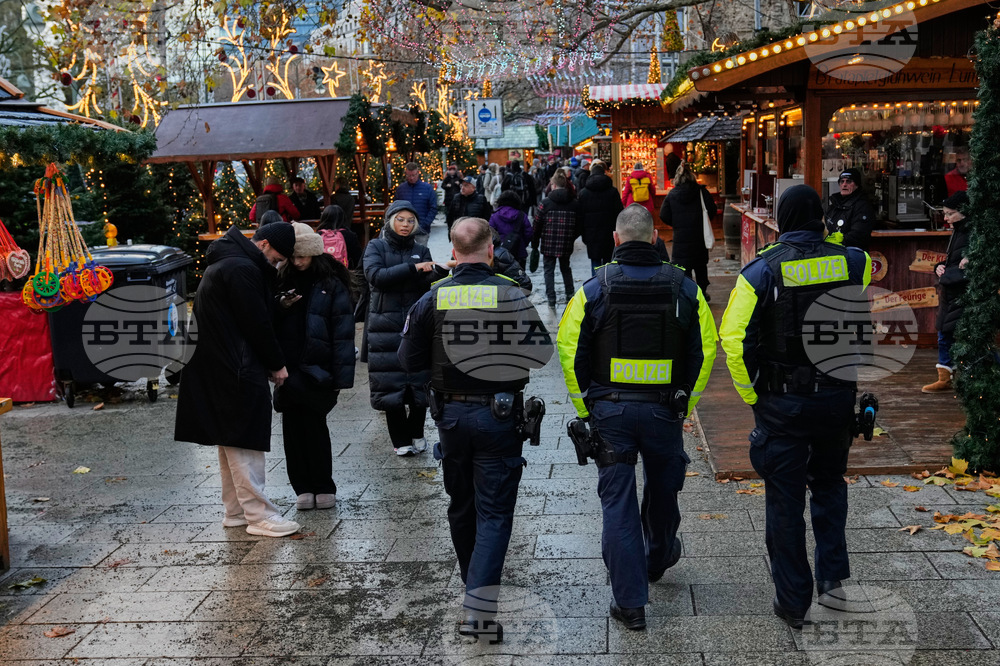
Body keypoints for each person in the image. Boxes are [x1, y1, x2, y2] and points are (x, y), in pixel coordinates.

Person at [556, 204, 717, 631]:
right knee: (664, 492)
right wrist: (686, 403)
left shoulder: (595, 287)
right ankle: (658, 556)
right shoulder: (684, 286)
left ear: (615, 239)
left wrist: (585, 407)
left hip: (611, 413)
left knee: (618, 505)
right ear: (653, 239)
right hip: (665, 411)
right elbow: (706, 348)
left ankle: (630, 604)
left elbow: (570, 349)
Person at [719, 184, 871, 629]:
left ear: (782, 221)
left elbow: (733, 339)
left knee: (784, 502)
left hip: (783, 402)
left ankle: (792, 602)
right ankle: (834, 584)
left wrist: (752, 395)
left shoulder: (759, 273)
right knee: (829, 486)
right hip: (837, 399)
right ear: (821, 217)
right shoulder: (855, 262)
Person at [399, 216, 552, 639]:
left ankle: (475, 590)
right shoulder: (510, 293)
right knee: (495, 513)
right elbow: (541, 355)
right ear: (490, 250)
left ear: (453, 252)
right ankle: (479, 611)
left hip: (450, 418)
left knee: (462, 505)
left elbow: (407, 360)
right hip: (499, 418)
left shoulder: (433, 298)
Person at [174, 222, 301, 538]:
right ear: (264, 244)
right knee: (245, 440)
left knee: (231, 439)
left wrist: (276, 303)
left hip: (219, 365)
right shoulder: (242, 268)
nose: (277, 264)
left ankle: (236, 511)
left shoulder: (229, 262)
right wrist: (277, 364)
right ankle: (259, 515)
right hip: (235, 367)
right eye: (276, 258)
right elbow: (255, 322)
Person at [274, 223, 356, 510]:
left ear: (315, 254)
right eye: (294, 256)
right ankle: (302, 487)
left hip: (318, 369)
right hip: (288, 366)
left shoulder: (331, 282)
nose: (298, 261)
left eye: (304, 256)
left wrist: (341, 377)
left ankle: (323, 484)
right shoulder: (280, 279)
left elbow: (343, 331)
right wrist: (280, 305)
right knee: (292, 429)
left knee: (315, 426)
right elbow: (267, 320)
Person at [362, 200, 449, 456]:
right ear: (390, 220)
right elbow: (376, 277)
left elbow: (426, 282)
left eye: (410, 221)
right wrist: (412, 268)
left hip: (416, 323)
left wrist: (441, 271)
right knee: (391, 384)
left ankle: (417, 432)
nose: (406, 225)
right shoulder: (375, 246)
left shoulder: (421, 249)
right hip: (384, 325)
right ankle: (400, 441)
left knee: (419, 381)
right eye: (401, 219)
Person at [922, 191, 971, 393]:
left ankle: (956, 377)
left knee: (965, 337)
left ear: (963, 212)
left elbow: (967, 268)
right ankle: (945, 376)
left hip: (962, 292)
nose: (945, 218)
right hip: (951, 291)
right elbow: (955, 262)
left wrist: (945, 274)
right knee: (945, 334)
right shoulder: (958, 231)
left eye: (950, 214)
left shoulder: (972, 233)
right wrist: (940, 267)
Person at [659, 162, 718, 300]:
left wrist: (676, 223)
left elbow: (663, 214)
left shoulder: (672, 195)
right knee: (700, 266)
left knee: (683, 268)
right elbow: (712, 209)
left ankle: (687, 295)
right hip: (699, 237)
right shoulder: (701, 192)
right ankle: (702, 293)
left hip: (681, 239)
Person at [533, 172, 579, 308]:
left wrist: (535, 242)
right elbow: (579, 224)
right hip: (566, 242)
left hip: (548, 242)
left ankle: (551, 298)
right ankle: (570, 293)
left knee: (548, 270)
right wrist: (572, 236)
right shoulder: (574, 204)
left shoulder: (545, 203)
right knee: (566, 268)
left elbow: (536, 225)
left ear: (553, 185)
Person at [578, 163, 624, 274]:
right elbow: (619, 212)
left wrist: (582, 234)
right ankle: (608, 286)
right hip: (609, 232)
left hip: (591, 233)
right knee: (609, 261)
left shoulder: (583, 193)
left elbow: (580, 216)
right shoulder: (612, 191)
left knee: (595, 261)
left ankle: (596, 286)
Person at [824, 168, 874, 250]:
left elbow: (858, 235)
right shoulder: (834, 204)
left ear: (857, 185)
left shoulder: (862, 206)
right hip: (832, 253)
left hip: (852, 254)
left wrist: (838, 242)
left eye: (849, 181)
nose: (844, 184)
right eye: (842, 181)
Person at [394, 163, 438, 245]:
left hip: (421, 230)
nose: (411, 178)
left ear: (418, 173)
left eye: (413, 175)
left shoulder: (427, 188)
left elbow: (433, 208)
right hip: (404, 230)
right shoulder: (401, 189)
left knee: (420, 255)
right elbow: (395, 207)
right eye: (409, 175)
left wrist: (425, 224)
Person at [489, 190, 533, 269]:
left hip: (500, 254)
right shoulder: (522, 215)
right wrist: (522, 244)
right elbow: (529, 233)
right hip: (519, 252)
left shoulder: (495, 216)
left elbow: (490, 234)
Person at [316, 204, 362, 270]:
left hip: (322, 274)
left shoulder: (317, 236)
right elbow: (358, 259)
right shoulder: (350, 235)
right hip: (345, 274)